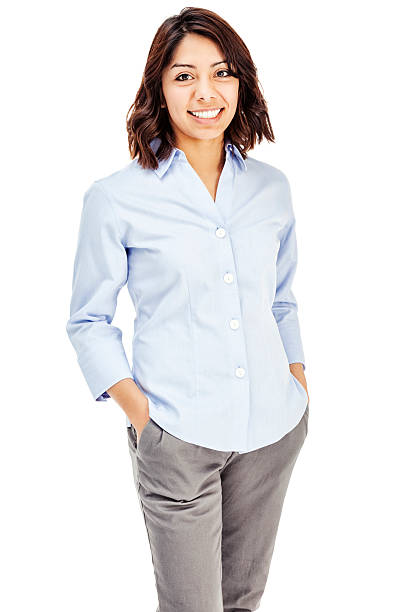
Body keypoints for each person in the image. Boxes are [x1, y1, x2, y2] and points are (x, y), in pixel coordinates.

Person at [66, 7, 310, 611]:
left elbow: (281, 298)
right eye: (184, 76)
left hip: (271, 432)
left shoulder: (271, 188)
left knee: (241, 603)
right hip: (177, 438)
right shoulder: (116, 198)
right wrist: (143, 416)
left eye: (222, 72)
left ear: (241, 84)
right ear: (159, 87)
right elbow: (88, 320)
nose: (206, 92)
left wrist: (298, 380)